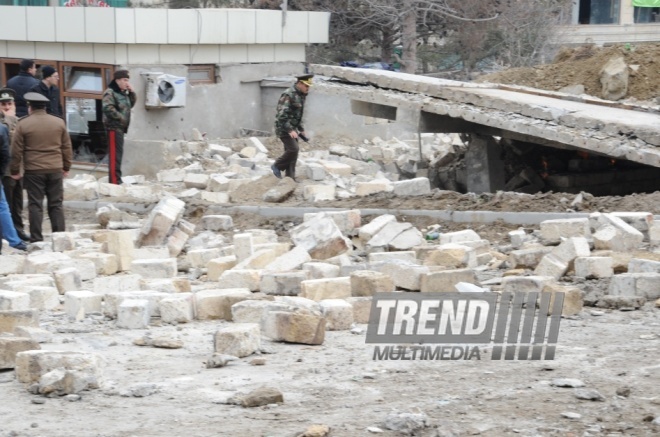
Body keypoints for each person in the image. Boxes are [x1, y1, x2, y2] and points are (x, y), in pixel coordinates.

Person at [10, 92, 72, 244]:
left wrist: (15, 170)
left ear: (30, 107)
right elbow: (66, 147)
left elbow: (16, 150)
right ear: (45, 107)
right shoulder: (58, 122)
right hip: (55, 169)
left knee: (35, 205)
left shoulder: (23, 124)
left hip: (34, 170)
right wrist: (66, 166)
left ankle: (37, 239)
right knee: (56, 204)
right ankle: (60, 239)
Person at [271, 74, 313, 182]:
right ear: (300, 84)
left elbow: (297, 115)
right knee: (293, 149)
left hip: (292, 128)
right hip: (283, 127)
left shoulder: (301, 95)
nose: (308, 88)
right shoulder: (289, 94)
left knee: (293, 154)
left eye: (309, 86)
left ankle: (290, 179)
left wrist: (301, 129)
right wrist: (289, 130)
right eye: (306, 86)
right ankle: (277, 165)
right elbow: (282, 115)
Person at [0, 88, 28, 242]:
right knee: (7, 205)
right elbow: (9, 144)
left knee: (17, 204)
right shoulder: (5, 123)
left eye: (9, 103)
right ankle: (9, 233)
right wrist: (9, 119)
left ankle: (19, 229)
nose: (6, 107)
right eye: (3, 104)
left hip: (19, 169)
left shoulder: (19, 121)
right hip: (6, 170)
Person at [102, 69, 136, 185]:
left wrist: (132, 93)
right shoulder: (110, 92)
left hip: (120, 128)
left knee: (118, 155)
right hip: (113, 128)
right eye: (125, 80)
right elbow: (107, 108)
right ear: (117, 80)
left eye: (128, 80)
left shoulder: (122, 93)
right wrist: (121, 118)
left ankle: (117, 179)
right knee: (114, 155)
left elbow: (130, 104)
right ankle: (114, 181)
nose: (127, 82)